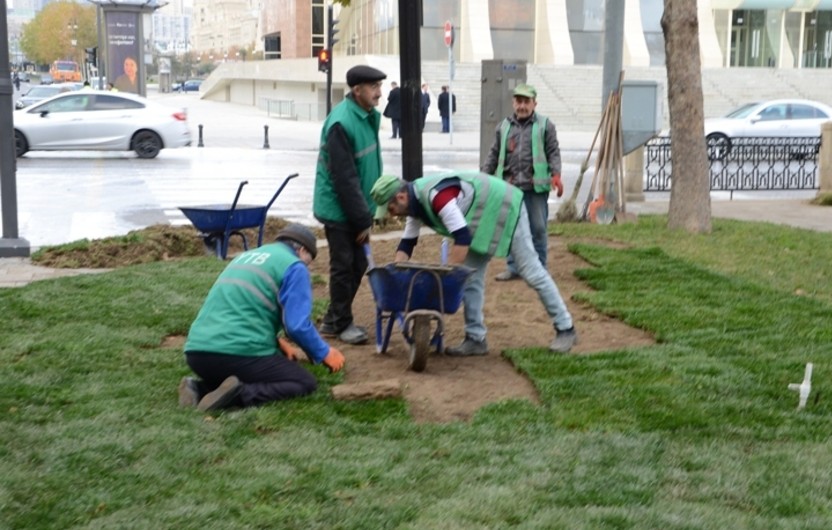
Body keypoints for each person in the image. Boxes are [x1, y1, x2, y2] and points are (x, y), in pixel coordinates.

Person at [370, 171, 578, 356]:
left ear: (401, 196)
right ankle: (476, 339)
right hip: (480, 218)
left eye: (390, 208)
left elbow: (462, 238)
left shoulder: (436, 197)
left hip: (504, 205)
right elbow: (407, 244)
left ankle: (566, 328)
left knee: (530, 270)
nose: (390, 214)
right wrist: (396, 276)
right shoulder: (415, 206)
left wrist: (445, 279)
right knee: (471, 279)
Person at [180, 224, 346, 412]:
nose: (307, 266)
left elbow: (243, 307)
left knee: (248, 369)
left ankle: (198, 388)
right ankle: (239, 394)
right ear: (301, 250)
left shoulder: (247, 257)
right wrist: (324, 352)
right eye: (309, 260)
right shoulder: (295, 266)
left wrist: (276, 341)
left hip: (196, 353)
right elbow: (296, 326)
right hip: (233, 352)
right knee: (302, 381)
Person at [312, 64, 387, 345]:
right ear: (357, 91)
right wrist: (361, 221)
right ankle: (340, 324)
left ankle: (334, 319)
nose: (379, 93)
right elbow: (344, 179)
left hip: (356, 208)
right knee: (344, 266)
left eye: (379, 86)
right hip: (339, 209)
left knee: (356, 265)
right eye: (374, 87)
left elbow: (365, 167)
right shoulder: (341, 123)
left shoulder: (364, 116)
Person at [481, 83, 564, 281]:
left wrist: (556, 174)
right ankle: (514, 267)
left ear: (534, 103)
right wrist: (483, 176)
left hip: (536, 187)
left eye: (527, 102)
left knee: (538, 228)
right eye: (519, 101)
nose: (522, 106)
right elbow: (493, 154)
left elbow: (553, 151)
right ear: (513, 103)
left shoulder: (545, 125)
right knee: (510, 229)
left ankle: (540, 267)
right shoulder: (504, 126)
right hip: (510, 187)